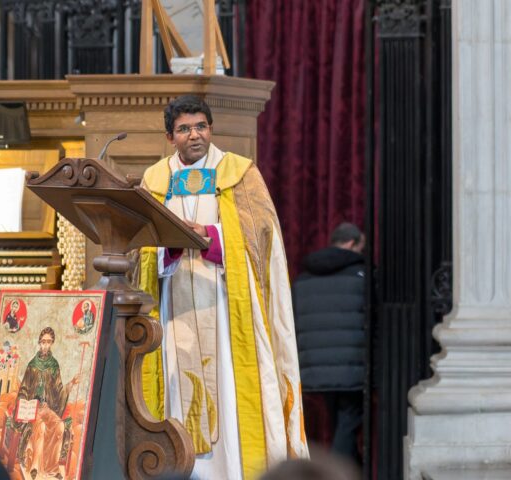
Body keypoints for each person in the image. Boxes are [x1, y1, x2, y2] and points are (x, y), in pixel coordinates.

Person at [134, 95, 309, 479]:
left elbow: (262, 240)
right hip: (173, 310)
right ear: (170, 137)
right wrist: (171, 245)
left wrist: (211, 237)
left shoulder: (239, 173)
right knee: (178, 395)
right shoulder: (154, 180)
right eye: (184, 129)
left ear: (211, 130)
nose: (194, 135)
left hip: (226, 307)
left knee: (229, 396)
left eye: (200, 126)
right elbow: (141, 246)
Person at [291, 222, 366, 463]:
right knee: (348, 421)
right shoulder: (362, 275)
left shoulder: (303, 279)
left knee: (339, 422)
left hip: (313, 365)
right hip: (351, 366)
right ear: (353, 244)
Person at [3, 327, 79, 479]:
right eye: (43, 342)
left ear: (52, 344)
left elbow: (58, 390)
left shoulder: (54, 365)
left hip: (47, 407)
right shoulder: (32, 365)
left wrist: (70, 385)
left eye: (49, 342)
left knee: (60, 426)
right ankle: (35, 468)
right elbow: (24, 388)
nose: (45, 345)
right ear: (39, 343)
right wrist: (26, 403)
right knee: (41, 427)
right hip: (33, 408)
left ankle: (52, 468)